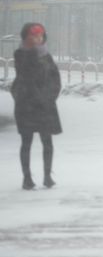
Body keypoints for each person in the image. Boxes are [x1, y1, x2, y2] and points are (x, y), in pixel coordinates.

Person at [10, 23, 62, 190]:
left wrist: (51, 95)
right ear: (26, 37)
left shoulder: (46, 55)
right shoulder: (20, 54)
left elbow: (55, 77)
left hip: (45, 105)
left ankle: (47, 176)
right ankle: (27, 178)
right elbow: (27, 76)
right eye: (34, 36)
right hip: (27, 106)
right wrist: (34, 52)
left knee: (47, 142)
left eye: (40, 36)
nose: (38, 39)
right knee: (27, 142)